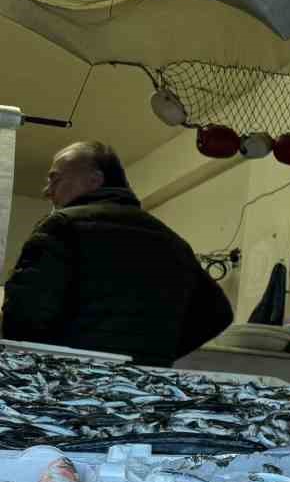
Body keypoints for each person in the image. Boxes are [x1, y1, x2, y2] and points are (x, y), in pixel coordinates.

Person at [2, 141, 232, 366]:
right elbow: (218, 314)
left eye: (55, 179)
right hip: (139, 387)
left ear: (94, 180)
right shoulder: (173, 242)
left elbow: (24, 315)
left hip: (68, 380)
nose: (47, 190)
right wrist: (154, 356)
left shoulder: (62, 226)